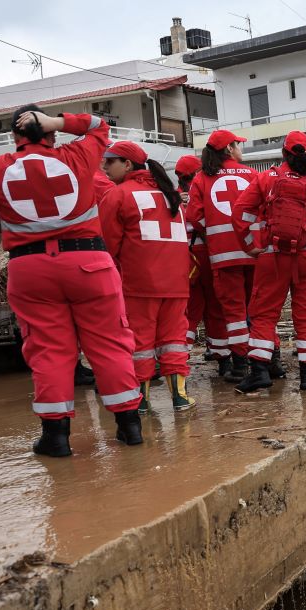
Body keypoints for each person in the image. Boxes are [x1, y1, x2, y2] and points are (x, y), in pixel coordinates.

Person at [0, 107, 142, 456]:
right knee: (110, 344)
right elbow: (100, 126)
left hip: (30, 269)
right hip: (89, 264)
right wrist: (59, 122)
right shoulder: (78, 155)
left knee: (48, 350)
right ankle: (129, 427)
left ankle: (56, 437)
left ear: (14, 137)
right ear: (51, 134)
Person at [231, 131, 306, 393]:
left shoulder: (265, 178)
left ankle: (259, 372)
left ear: (284, 154)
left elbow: (240, 213)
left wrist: (251, 247)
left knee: (264, 315)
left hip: (273, 256)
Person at [99, 141, 194, 412]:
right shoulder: (169, 194)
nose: (105, 166)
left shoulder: (117, 195)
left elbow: (108, 245)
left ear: (127, 165)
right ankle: (181, 397)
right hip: (176, 281)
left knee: (140, 343)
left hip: (139, 283)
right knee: (174, 339)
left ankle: (141, 401)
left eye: (110, 161)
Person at [185, 130, 259, 382]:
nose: (241, 149)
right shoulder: (252, 175)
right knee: (257, 309)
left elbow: (194, 215)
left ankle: (239, 365)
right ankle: (265, 361)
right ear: (229, 149)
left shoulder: (201, 178)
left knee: (234, 312)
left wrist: (214, 235)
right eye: (239, 144)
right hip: (253, 252)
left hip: (223, 255)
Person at [174, 155, 228, 365]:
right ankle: (223, 359)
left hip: (184, 260)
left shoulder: (171, 198)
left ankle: (179, 358)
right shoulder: (202, 194)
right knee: (216, 308)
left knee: (189, 312)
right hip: (206, 254)